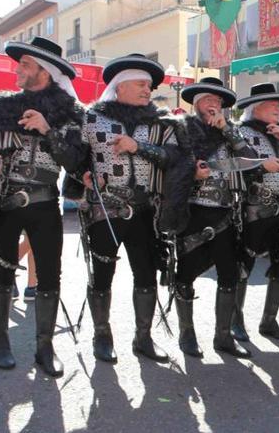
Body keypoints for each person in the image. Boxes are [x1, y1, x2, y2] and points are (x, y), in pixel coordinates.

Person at [0, 36, 86, 376]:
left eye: (25, 65)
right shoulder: (1, 107)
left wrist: (48, 129)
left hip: (45, 204)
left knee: (50, 275)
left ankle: (44, 347)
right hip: (5, 202)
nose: (18, 70)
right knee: (2, 273)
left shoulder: (69, 113)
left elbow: (77, 161)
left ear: (45, 71)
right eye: (19, 63)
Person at [76, 53, 184, 364]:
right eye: (140, 83)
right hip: (104, 210)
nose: (147, 90)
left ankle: (143, 338)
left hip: (146, 210)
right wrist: (80, 175)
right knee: (102, 275)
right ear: (120, 86)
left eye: (149, 85)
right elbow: (75, 158)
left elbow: (175, 159)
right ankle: (102, 336)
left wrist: (139, 147)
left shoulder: (161, 124)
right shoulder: (91, 119)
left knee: (147, 274)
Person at [177, 77, 255, 358]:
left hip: (224, 211)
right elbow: (171, 164)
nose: (214, 105)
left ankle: (223, 337)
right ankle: (187, 334)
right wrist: (192, 172)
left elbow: (251, 162)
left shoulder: (230, 131)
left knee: (229, 274)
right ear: (196, 103)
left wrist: (228, 131)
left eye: (219, 102)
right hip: (191, 210)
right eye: (209, 100)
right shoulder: (182, 129)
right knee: (185, 274)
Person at [233, 83, 279, 342]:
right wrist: (262, 165)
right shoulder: (241, 134)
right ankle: (235, 320)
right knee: (243, 264)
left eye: (277, 105)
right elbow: (238, 166)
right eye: (271, 105)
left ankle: (269, 321)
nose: (277, 108)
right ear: (255, 108)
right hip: (253, 209)